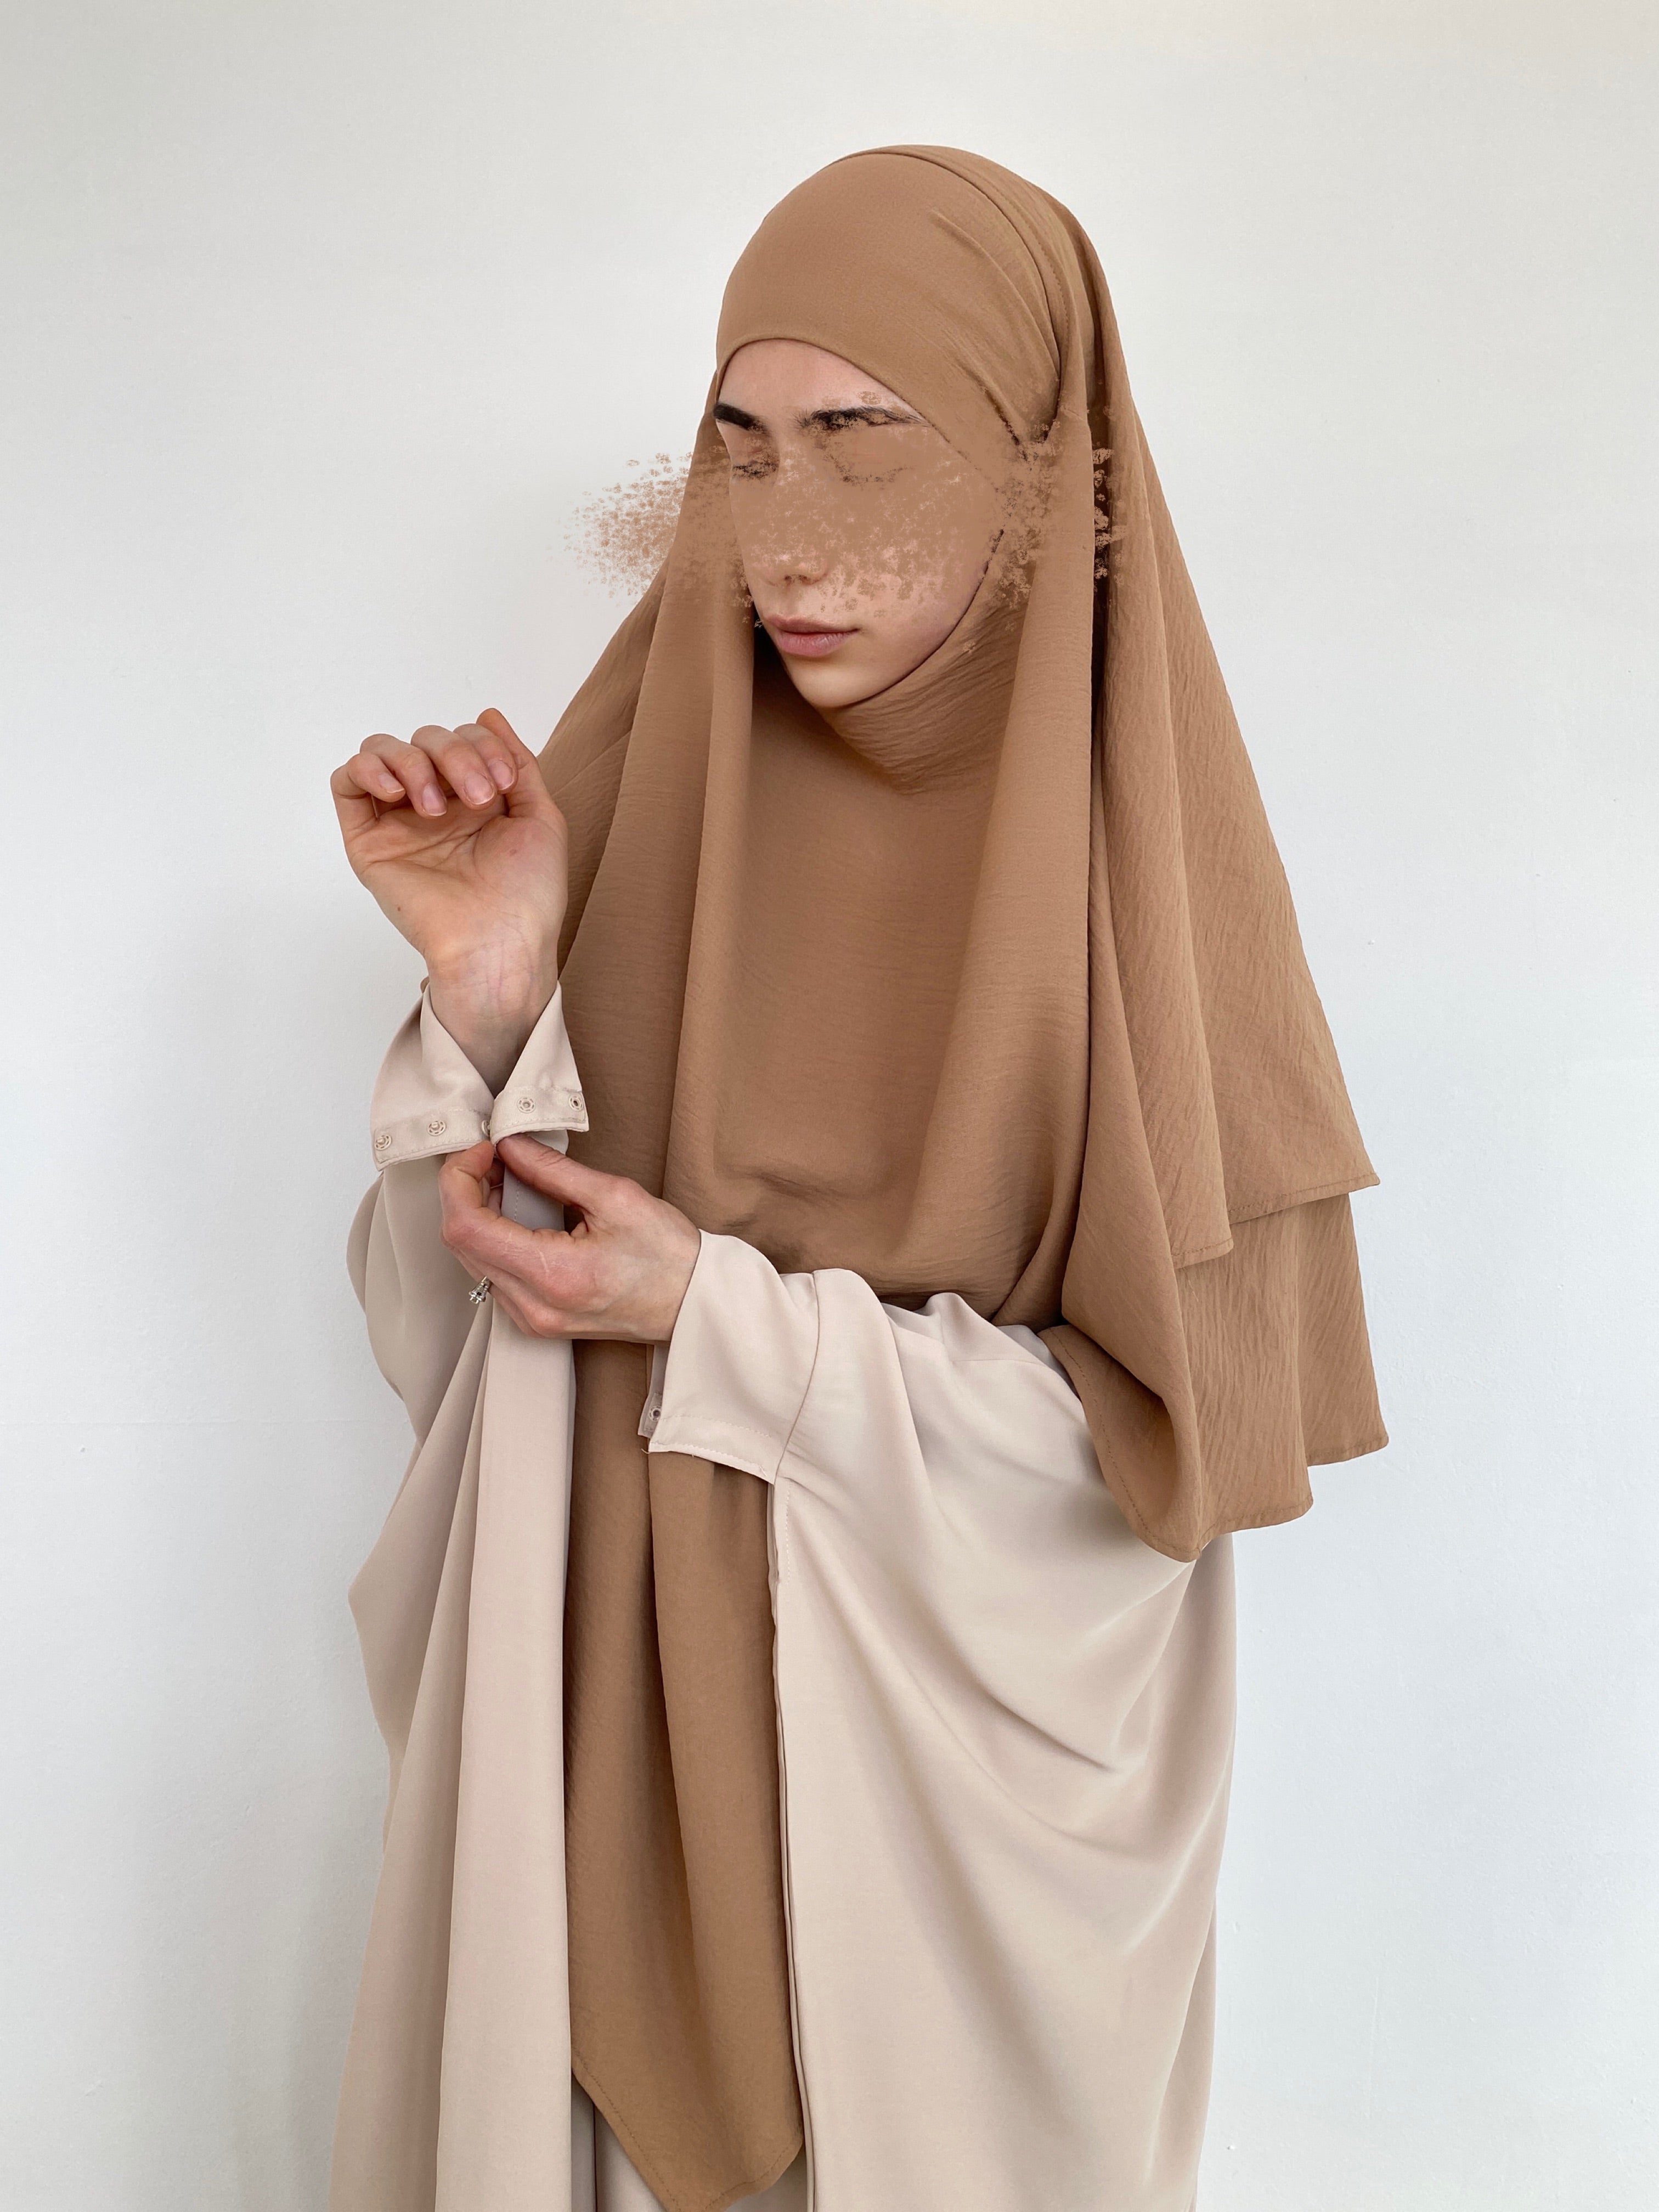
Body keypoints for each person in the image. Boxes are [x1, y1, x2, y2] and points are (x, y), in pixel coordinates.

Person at [326, 146, 1385, 2212]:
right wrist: (494, 996)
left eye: (867, 447)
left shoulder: (1142, 894)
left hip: (953, 1860)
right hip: (600, 1764)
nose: (788, 540)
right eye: (741, 451)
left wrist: (715, 1319)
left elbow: (1159, 1470)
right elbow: (444, 1342)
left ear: (1036, 469)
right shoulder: (631, 785)